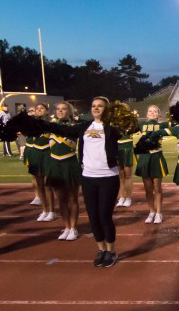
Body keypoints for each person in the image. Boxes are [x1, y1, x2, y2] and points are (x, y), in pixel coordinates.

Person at [34, 97, 124, 267]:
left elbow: (129, 129)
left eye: (100, 106)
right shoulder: (84, 126)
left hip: (108, 177)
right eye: (93, 106)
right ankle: (101, 249)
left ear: (107, 109)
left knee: (104, 215)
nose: (96, 108)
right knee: (92, 216)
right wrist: (41, 123)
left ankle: (111, 251)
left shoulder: (113, 128)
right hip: (88, 177)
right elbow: (60, 128)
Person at [44, 102, 82, 240]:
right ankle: (66, 227)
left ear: (70, 112)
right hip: (55, 165)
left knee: (72, 198)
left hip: (70, 164)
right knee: (61, 199)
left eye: (64, 109)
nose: (60, 111)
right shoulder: (50, 127)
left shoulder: (75, 127)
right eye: (58, 109)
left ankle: (74, 228)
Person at [135, 105, 169, 224]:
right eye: (150, 111)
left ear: (158, 115)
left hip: (156, 157)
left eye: (155, 111)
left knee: (157, 188)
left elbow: (176, 124)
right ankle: (151, 212)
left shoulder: (162, 125)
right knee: (148, 189)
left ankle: (159, 213)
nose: (153, 113)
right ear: (147, 114)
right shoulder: (140, 125)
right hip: (144, 157)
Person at [23, 104, 57, 222]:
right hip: (36, 155)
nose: (39, 110)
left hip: (47, 154)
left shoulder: (51, 124)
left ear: (47, 111)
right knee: (40, 185)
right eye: (37, 109)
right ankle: (44, 210)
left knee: (48, 186)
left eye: (41, 108)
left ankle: (52, 211)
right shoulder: (32, 125)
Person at [115, 111, 136, 209]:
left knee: (128, 176)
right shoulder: (113, 124)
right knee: (120, 176)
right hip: (117, 149)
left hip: (127, 149)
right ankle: (121, 197)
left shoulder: (130, 124)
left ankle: (128, 198)